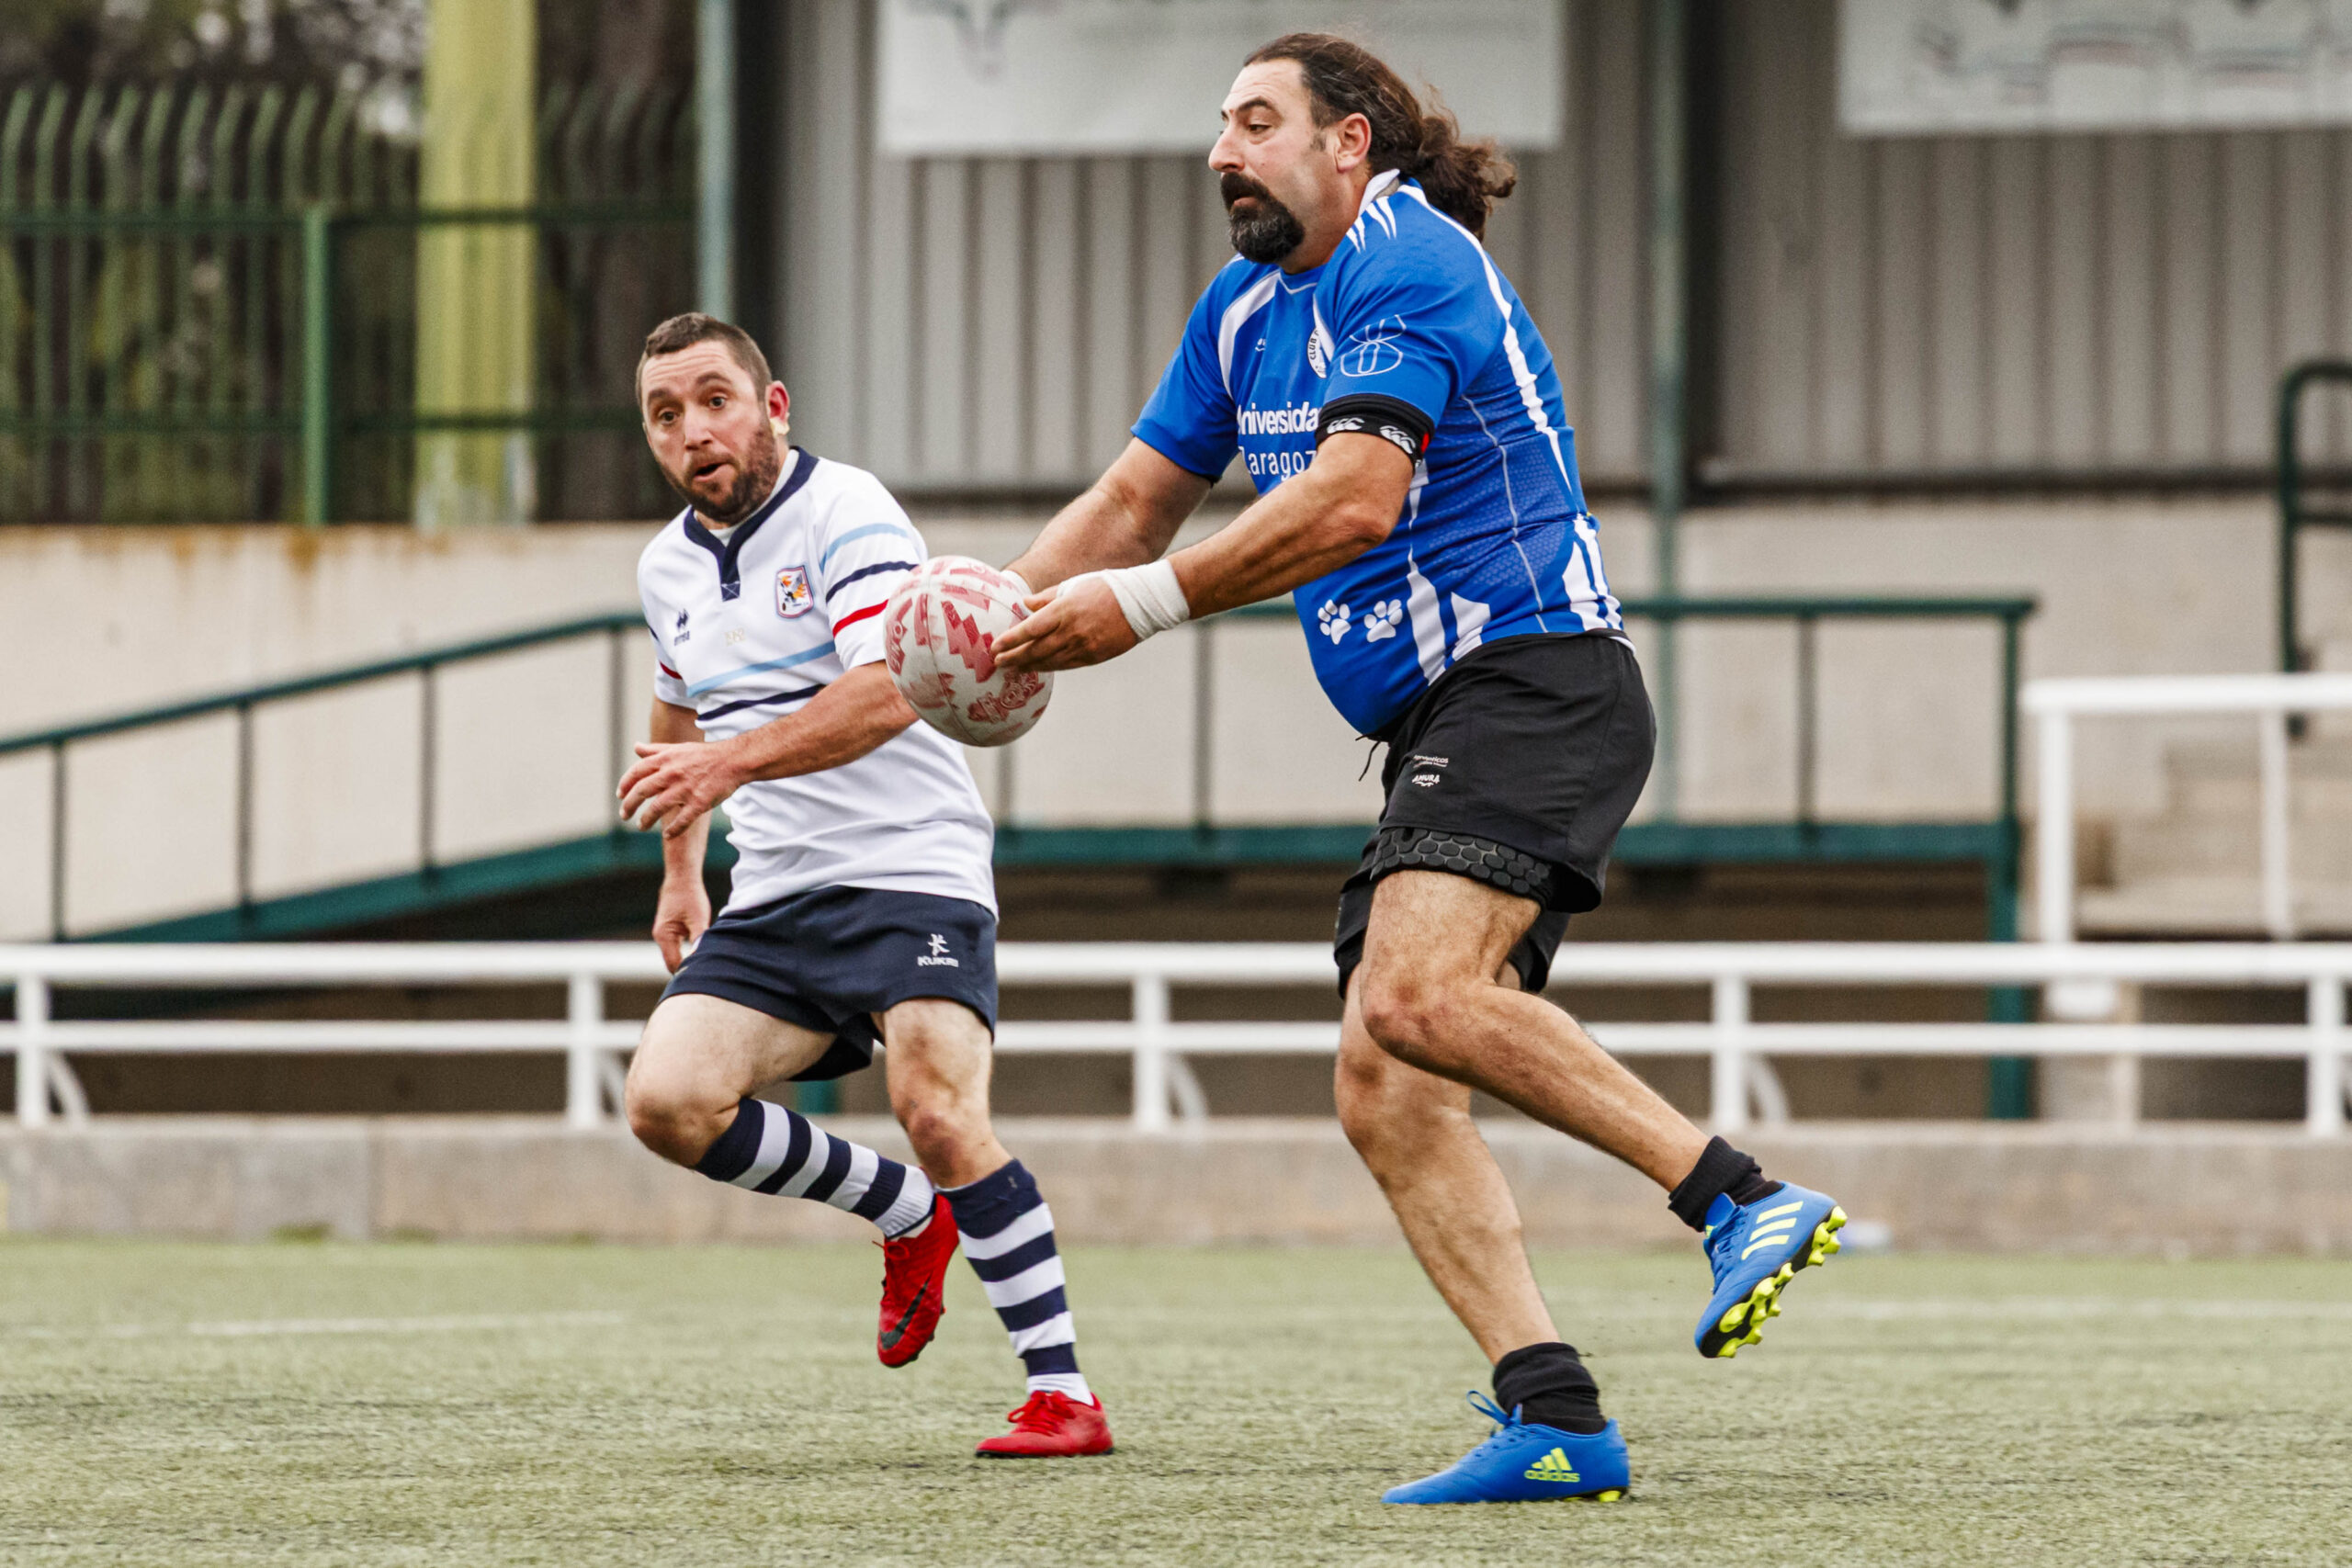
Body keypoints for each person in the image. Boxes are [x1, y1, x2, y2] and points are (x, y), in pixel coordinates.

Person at [994, 35, 1843, 1503]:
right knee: (1386, 1083)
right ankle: (1557, 1413)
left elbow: (1353, 498)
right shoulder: (1244, 306)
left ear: (1350, 144)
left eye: (1257, 121)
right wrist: (988, 626)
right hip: (1443, 724)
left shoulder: (1413, 257)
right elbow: (1137, 496)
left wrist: (1131, 612)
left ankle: (1741, 1197)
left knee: (1418, 993)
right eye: (1219, 124)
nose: (1221, 151)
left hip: (1534, 676)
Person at [618, 311, 1111, 1459]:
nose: (693, 431)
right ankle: (904, 1216)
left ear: (772, 406)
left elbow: (888, 687)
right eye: (664, 414)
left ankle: (1062, 1394)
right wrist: (682, 874)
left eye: (713, 401)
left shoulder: (848, 512)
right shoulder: (665, 567)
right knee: (666, 1104)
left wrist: (727, 764)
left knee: (937, 1111)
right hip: (777, 894)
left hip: (912, 869)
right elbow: (675, 712)